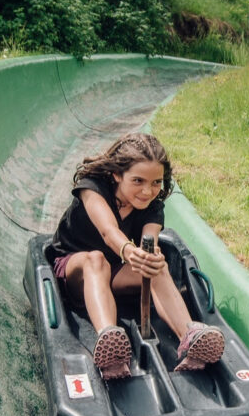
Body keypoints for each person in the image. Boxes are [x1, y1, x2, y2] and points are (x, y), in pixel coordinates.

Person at [49, 133, 224, 380]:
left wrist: (149, 258)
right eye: (138, 180)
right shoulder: (93, 189)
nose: (147, 191)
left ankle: (189, 335)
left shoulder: (152, 205)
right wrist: (130, 252)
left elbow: (148, 241)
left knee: (155, 265)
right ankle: (109, 341)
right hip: (75, 271)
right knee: (96, 259)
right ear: (117, 175)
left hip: (116, 272)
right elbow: (109, 231)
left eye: (156, 183)